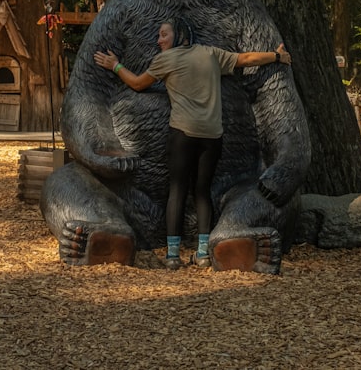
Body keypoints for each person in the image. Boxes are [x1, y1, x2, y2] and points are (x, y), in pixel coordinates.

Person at [93, 17, 292, 269]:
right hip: (212, 136)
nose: (159, 40)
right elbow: (245, 59)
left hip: (182, 135)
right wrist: (276, 57)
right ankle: (202, 254)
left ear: (179, 36)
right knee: (202, 192)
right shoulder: (211, 54)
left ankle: (173, 256)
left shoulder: (166, 60)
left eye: (164, 34)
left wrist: (115, 65)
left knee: (177, 190)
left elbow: (138, 84)